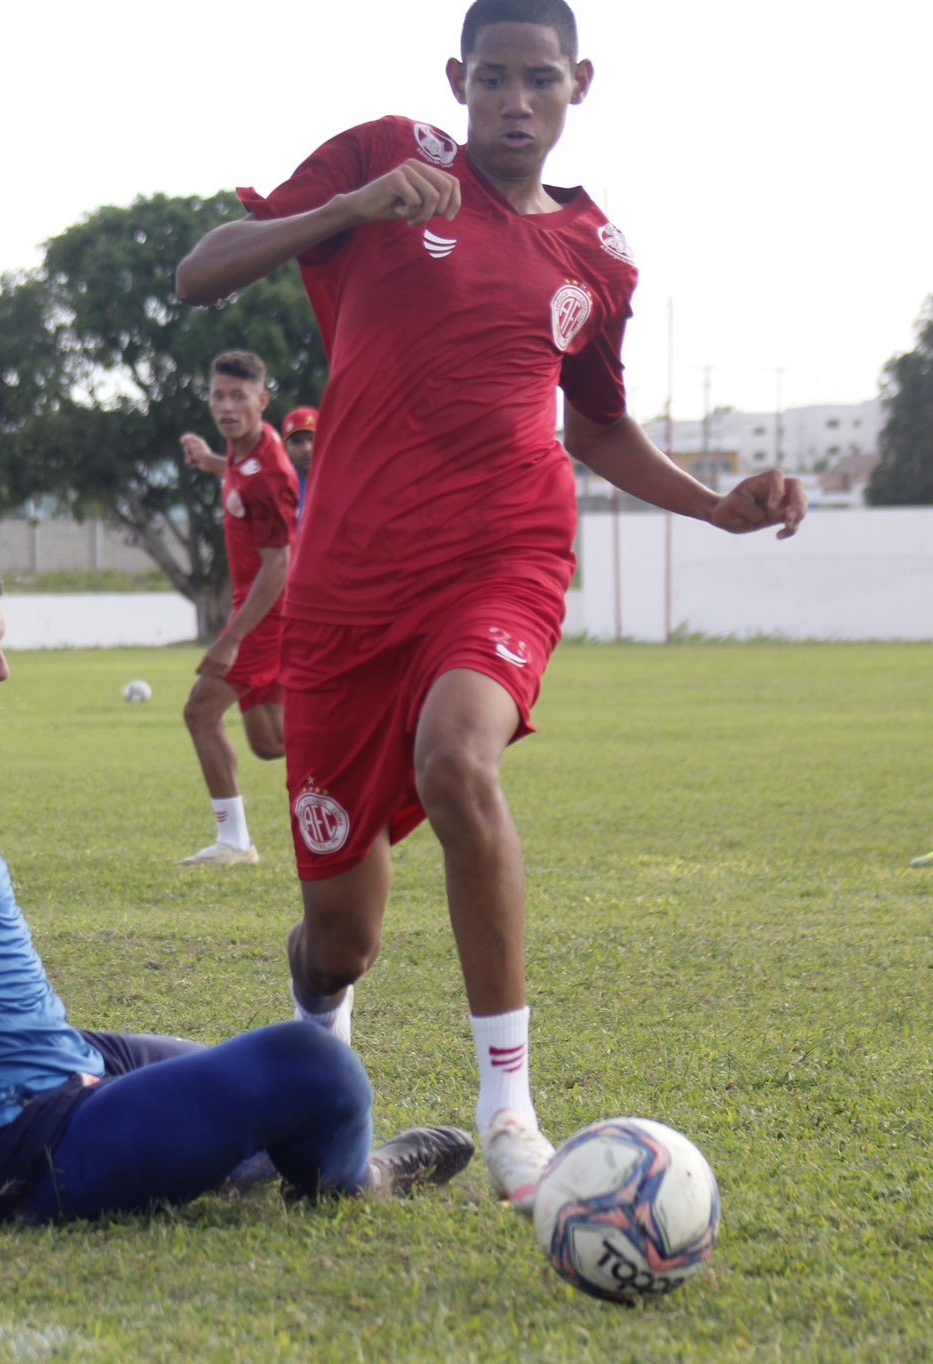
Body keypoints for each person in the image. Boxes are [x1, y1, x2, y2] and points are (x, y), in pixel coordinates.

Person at [173, 0, 807, 1214]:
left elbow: (598, 427)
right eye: (496, 79)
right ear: (457, 79)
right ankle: (321, 1029)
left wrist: (711, 505)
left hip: (503, 552)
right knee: (339, 935)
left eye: (543, 81)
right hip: (351, 583)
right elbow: (201, 270)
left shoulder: (599, 254)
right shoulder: (380, 162)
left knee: (460, 761)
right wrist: (351, 209)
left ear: (580, 86)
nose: (517, 102)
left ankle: (507, 1108)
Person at [0, 542, 471, 1221]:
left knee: (247, 1080)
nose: (2, 669)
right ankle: (360, 1179)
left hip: (58, 1062)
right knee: (315, 1067)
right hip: (22, 1142)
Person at [175, 351, 300, 866]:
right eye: (218, 396)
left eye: (238, 397)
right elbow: (236, 473)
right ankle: (371, 737)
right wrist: (208, 460)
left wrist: (230, 639)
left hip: (266, 614)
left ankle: (234, 842)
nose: (226, 407)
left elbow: (279, 566)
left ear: (262, 400)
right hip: (259, 613)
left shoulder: (270, 472)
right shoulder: (247, 452)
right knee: (271, 743)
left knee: (200, 712)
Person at [281, 406, 318, 489]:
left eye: (313, 439)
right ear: (285, 447)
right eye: (297, 441)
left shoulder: (341, 478)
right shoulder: (280, 487)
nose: (307, 448)